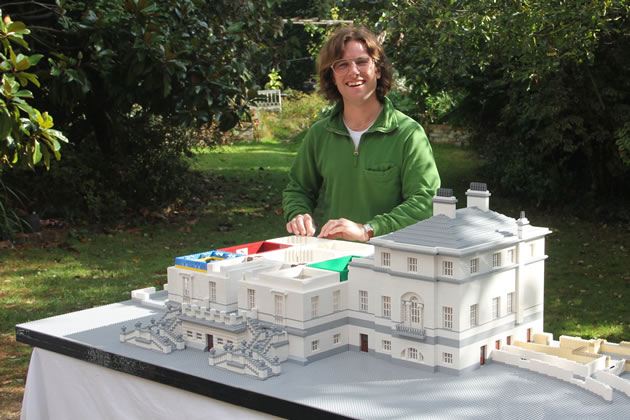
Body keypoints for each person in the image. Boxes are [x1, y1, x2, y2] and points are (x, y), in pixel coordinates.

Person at [282, 26, 440, 242]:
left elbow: (426, 202)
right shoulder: (319, 135)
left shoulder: (408, 134)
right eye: (342, 64)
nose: (353, 71)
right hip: (333, 256)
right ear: (332, 76)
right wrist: (298, 213)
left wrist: (368, 230)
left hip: (394, 259)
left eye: (362, 62)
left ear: (377, 69)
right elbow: (298, 188)